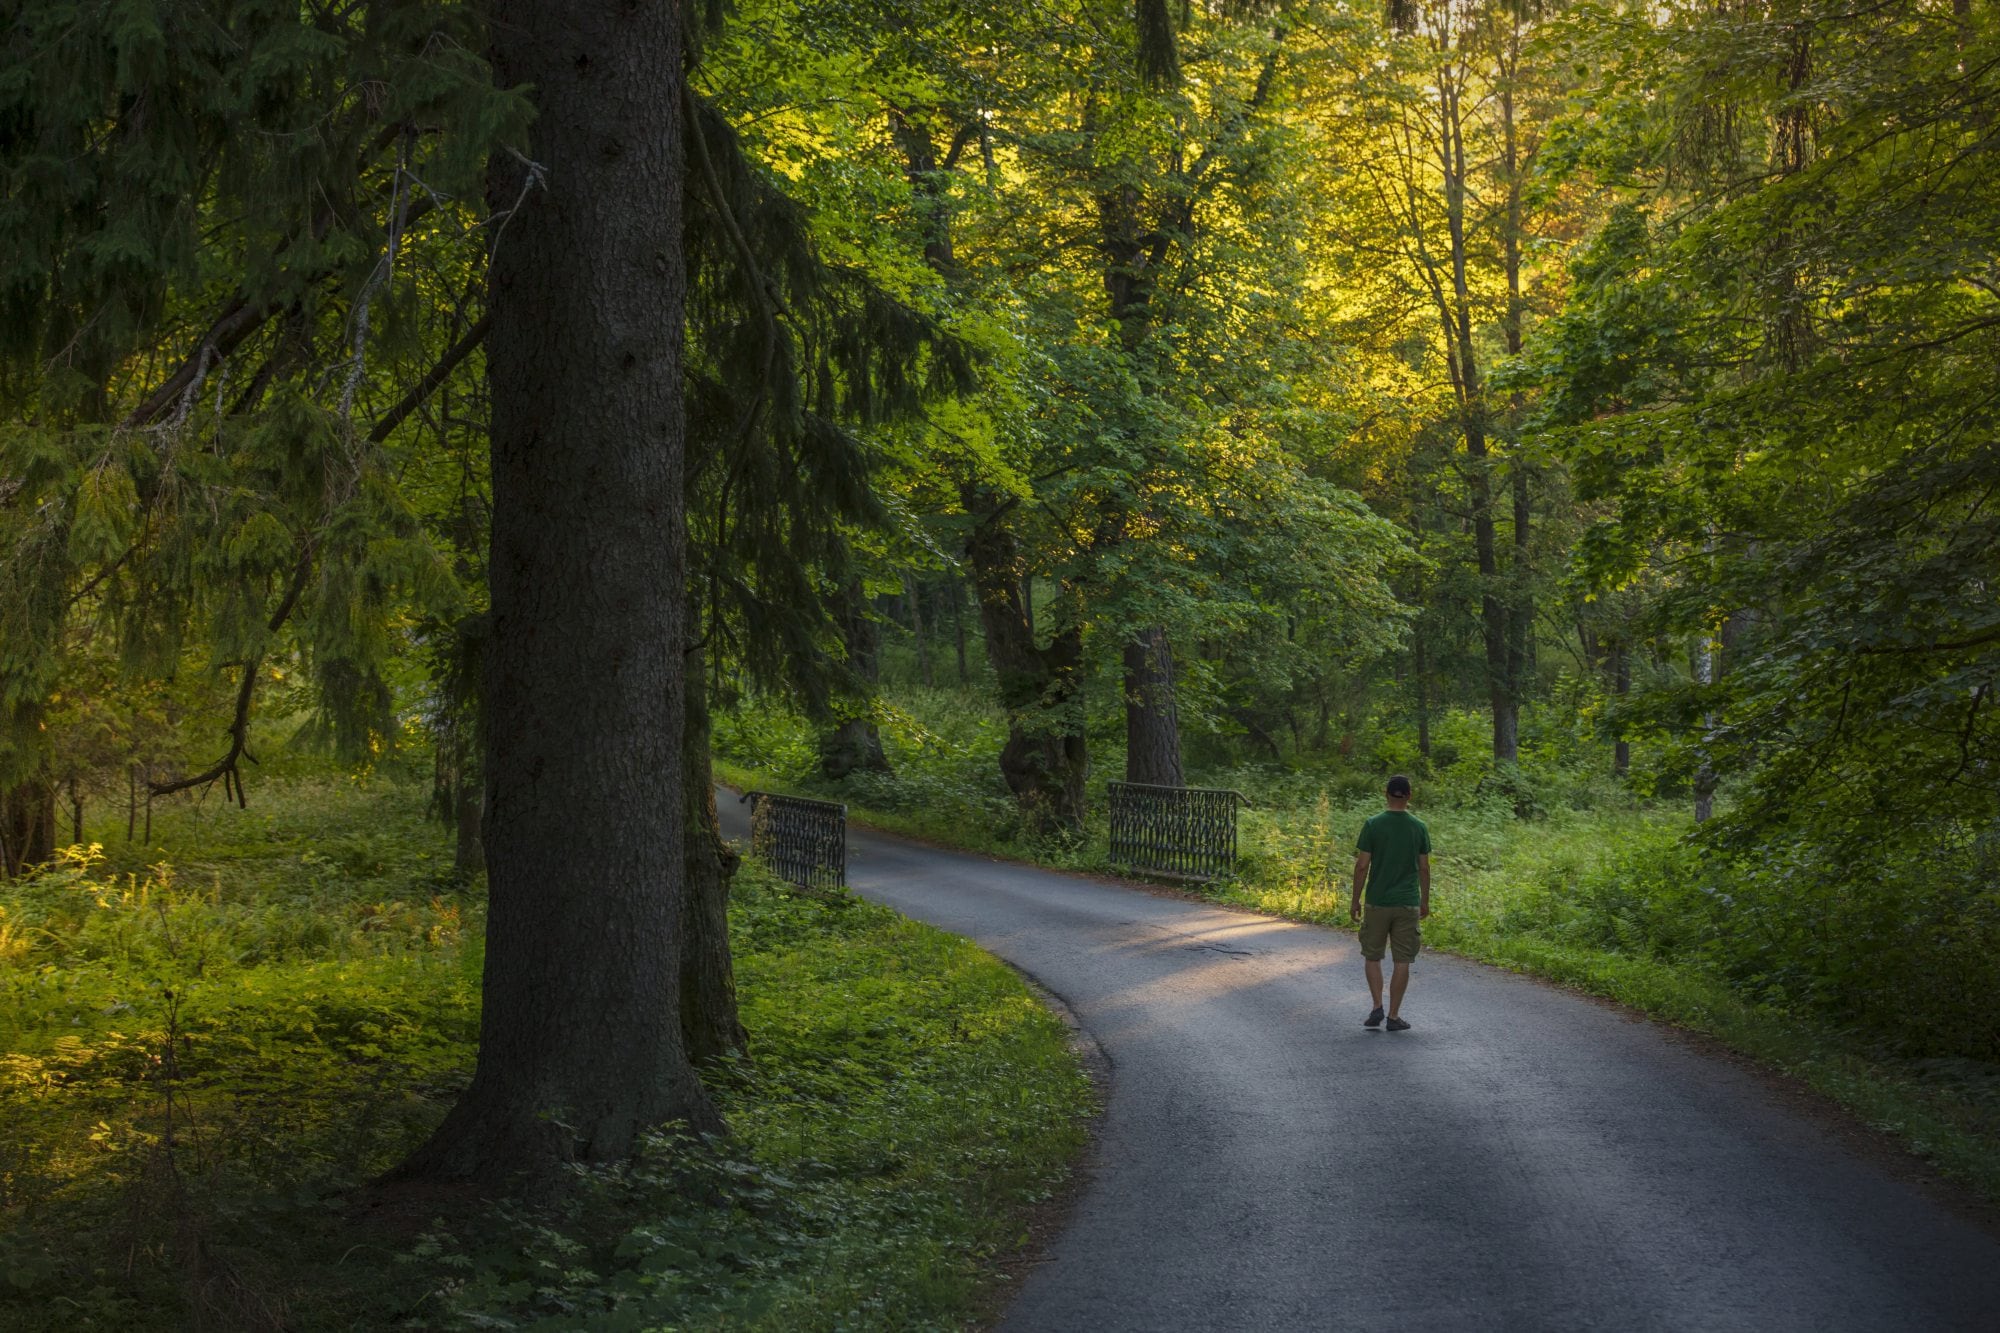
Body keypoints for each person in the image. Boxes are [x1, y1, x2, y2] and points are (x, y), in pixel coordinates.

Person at [1349, 774, 1431, 1031]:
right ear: (1409, 795)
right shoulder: (1419, 827)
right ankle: (1394, 1016)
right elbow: (1424, 868)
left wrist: (1355, 900)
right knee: (1402, 960)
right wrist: (1424, 901)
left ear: (1386, 793)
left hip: (1377, 902)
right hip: (1407, 903)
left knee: (1372, 956)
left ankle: (1377, 1007)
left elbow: (1362, 866)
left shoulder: (1373, 824)